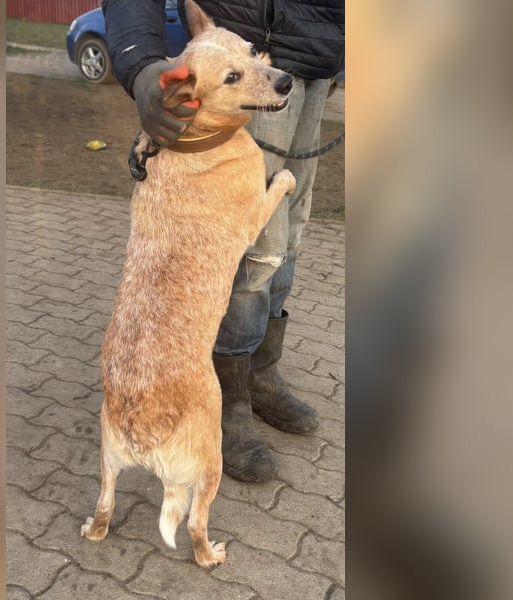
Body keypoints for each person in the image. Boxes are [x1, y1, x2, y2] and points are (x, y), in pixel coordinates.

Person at [102, 0, 345, 482]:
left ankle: (261, 371)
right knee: (252, 247)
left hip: (317, 54)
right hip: (252, 42)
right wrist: (141, 60)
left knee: (290, 230)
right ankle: (230, 397)